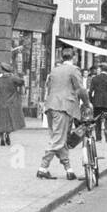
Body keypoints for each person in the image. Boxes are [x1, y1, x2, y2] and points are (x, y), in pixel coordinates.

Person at [37, 49, 85, 180]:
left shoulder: (54, 70)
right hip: (64, 107)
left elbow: (49, 87)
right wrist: (87, 103)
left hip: (51, 106)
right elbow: (80, 89)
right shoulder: (74, 70)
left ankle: (69, 170)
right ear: (74, 57)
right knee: (58, 139)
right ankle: (42, 167)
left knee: (59, 138)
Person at [0, 62, 25, 146]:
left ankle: (1, 138)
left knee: (0, 122)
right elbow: (22, 82)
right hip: (11, 104)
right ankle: (7, 134)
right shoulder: (14, 79)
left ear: (2, 70)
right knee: (9, 121)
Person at [87, 66, 107, 145]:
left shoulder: (95, 78)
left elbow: (90, 91)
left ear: (101, 70)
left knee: (97, 120)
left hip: (97, 102)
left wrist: (91, 101)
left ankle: (98, 138)